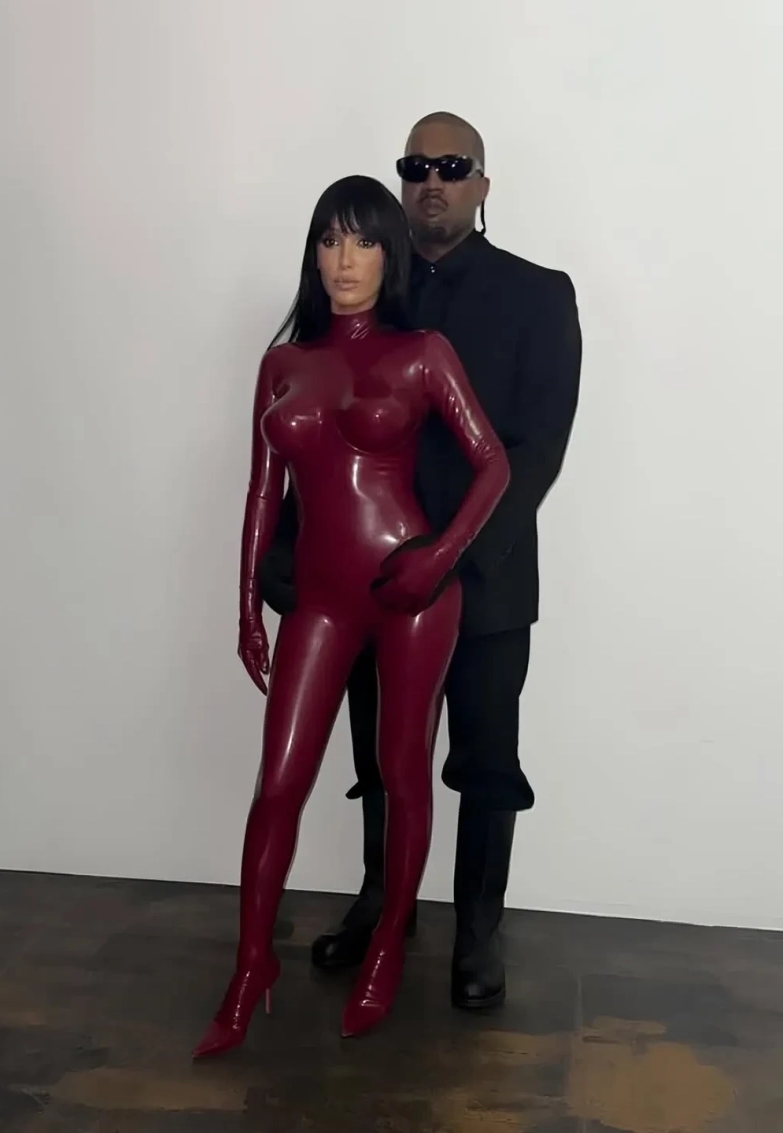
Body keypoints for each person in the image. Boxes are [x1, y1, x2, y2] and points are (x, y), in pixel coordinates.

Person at [258, 113, 583, 1011]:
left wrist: (453, 557)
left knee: (486, 762)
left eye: (451, 165)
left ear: (481, 185)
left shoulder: (537, 294)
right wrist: (286, 553)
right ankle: (380, 907)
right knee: (381, 758)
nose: (431, 180)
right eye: (415, 166)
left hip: (485, 579)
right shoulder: (373, 292)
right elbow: (315, 436)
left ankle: (477, 931)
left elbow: (537, 448)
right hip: (371, 581)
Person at [193, 175, 509, 1059]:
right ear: (314, 253)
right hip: (323, 600)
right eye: (330, 240)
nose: (345, 259)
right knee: (278, 784)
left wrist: (440, 557)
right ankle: (250, 964)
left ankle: (387, 948)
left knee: (403, 772)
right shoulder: (284, 364)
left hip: (413, 594)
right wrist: (246, 605)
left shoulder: (423, 352)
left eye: (364, 241)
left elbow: (492, 464)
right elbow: (263, 492)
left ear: (389, 254)